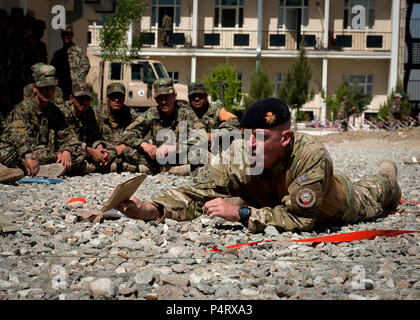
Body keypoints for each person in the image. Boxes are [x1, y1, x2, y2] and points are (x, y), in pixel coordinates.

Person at [116, 98, 401, 233]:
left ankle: (388, 173)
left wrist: (240, 213)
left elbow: (302, 219)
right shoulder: (245, 154)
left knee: (377, 190)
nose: (251, 144)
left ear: (286, 138)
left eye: (261, 138)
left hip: (341, 204)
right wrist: (151, 209)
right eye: (247, 136)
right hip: (273, 197)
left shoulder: (311, 155)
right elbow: (198, 189)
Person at [0, 63, 80, 179]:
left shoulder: (55, 111)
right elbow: (18, 139)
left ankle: (40, 169)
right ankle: (34, 168)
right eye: (43, 88)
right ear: (35, 88)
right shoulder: (23, 109)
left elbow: (67, 134)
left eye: (51, 88)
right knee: (9, 152)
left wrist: (67, 150)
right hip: (28, 152)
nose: (48, 92)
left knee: (78, 151)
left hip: (47, 152)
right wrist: (28, 155)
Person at [121, 78, 207, 176]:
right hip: (156, 159)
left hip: (179, 157)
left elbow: (202, 136)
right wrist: (145, 145)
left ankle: (157, 169)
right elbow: (127, 133)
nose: (163, 102)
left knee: (202, 153)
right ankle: (167, 169)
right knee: (126, 150)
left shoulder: (186, 112)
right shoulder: (152, 113)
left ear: (174, 96)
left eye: (167, 97)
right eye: (159, 98)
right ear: (155, 99)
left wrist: (176, 147)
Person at [58, 80, 109, 175]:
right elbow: (66, 139)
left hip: (82, 150)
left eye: (88, 99)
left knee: (109, 153)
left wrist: (99, 147)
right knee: (71, 159)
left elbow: (95, 135)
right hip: (65, 149)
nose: (84, 102)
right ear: (71, 98)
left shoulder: (89, 112)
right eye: (81, 99)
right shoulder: (62, 112)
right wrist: (92, 152)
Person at [93, 83, 139, 173]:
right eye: (113, 96)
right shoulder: (96, 113)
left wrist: (124, 146)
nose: (117, 100)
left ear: (124, 97)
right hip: (103, 152)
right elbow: (90, 134)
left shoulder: (131, 114)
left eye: (120, 96)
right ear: (107, 98)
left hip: (123, 152)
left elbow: (138, 135)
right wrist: (98, 145)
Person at [188, 82, 240, 151]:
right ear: (188, 98)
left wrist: (215, 134)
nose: (197, 99)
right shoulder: (184, 112)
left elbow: (234, 120)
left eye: (200, 95)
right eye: (193, 96)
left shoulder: (217, 111)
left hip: (215, 154)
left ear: (206, 95)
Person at [51, 24, 90, 100]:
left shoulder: (79, 52)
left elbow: (86, 67)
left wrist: (76, 79)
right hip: (61, 89)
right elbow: (52, 70)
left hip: (75, 89)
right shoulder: (58, 54)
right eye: (64, 34)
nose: (66, 36)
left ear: (72, 35)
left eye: (68, 34)